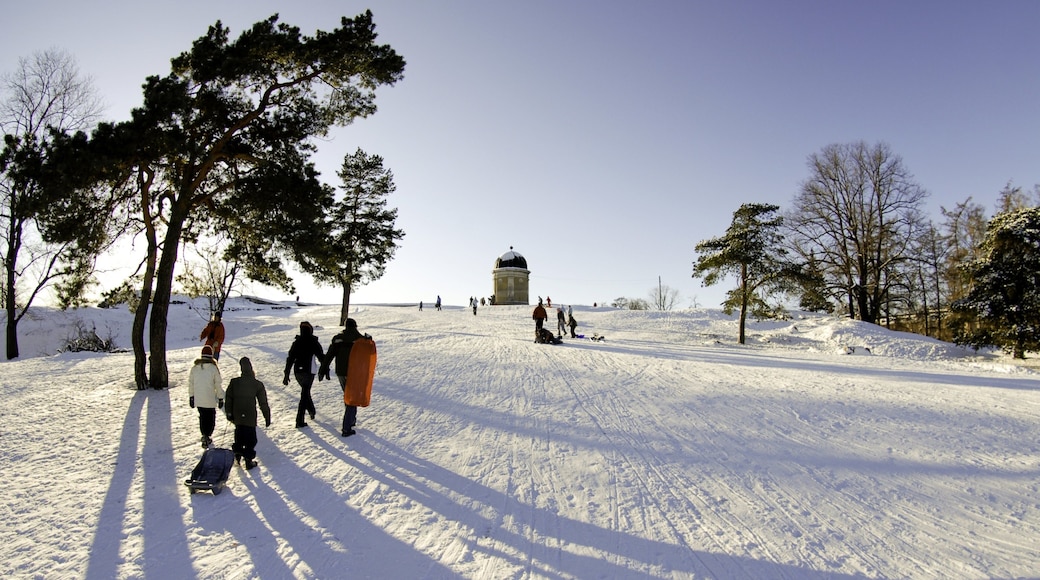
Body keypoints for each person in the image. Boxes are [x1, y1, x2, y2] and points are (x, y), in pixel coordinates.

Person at [319, 318, 366, 437]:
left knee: (348, 395)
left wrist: (323, 369)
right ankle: (346, 428)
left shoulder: (337, 339)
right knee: (352, 398)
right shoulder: (360, 339)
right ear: (355, 326)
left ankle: (351, 420)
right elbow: (369, 353)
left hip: (340, 372)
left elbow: (329, 355)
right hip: (353, 373)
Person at [224, 357, 271, 470]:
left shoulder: (234, 382)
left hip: (237, 414)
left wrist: (229, 413)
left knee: (239, 434)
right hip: (250, 415)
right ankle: (249, 461)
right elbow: (263, 402)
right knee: (251, 438)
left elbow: (229, 398)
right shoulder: (257, 384)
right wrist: (267, 416)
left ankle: (238, 454)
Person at [282, 321, 325, 428]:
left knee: (305, 392)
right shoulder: (313, 342)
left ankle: (311, 410)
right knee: (304, 394)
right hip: (309, 371)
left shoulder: (296, 342)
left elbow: (290, 359)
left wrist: (286, 374)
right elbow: (321, 357)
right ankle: (299, 420)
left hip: (298, 372)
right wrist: (324, 370)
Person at [188, 345, 223, 448]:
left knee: (202, 417)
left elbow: (191, 383)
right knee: (210, 418)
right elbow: (218, 384)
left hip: (199, 399)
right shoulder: (213, 368)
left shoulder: (194, 368)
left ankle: (204, 435)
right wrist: (220, 398)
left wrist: (191, 397)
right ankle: (207, 435)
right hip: (210, 398)